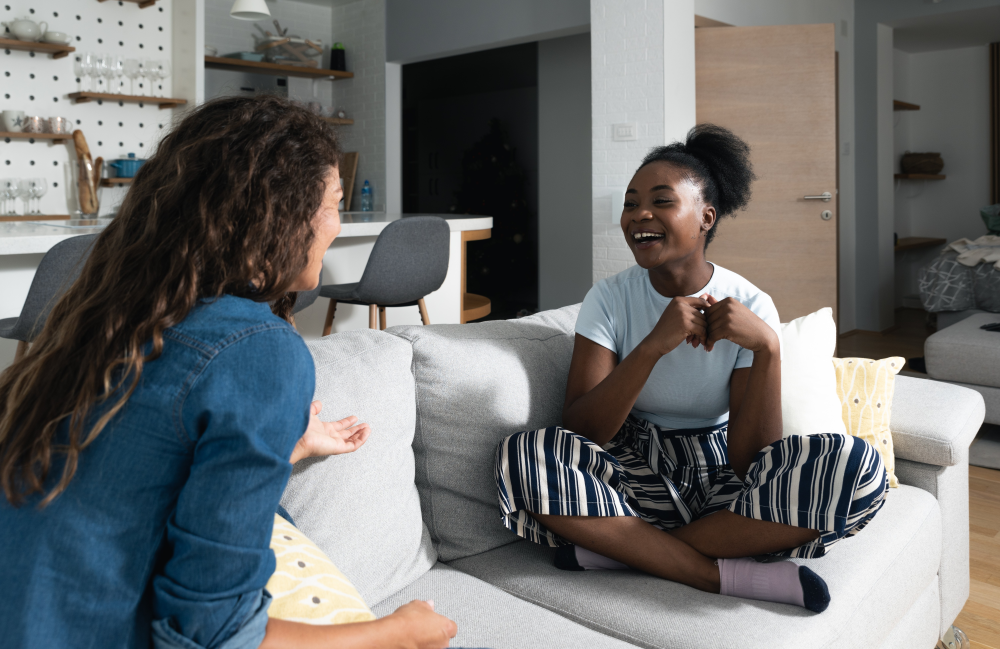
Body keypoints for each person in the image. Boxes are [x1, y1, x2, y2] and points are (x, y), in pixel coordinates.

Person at [0, 96, 457, 649]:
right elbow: (213, 635)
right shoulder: (256, 351)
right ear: (281, 215)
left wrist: (284, 449)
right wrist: (395, 631)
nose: (336, 225)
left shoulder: (97, 321)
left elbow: (136, 484)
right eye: (335, 202)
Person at [495, 124, 888, 613]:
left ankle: (622, 549)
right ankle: (709, 572)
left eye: (662, 202)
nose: (640, 214)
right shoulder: (609, 297)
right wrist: (652, 347)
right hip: (632, 468)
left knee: (859, 468)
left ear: (706, 217)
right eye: (631, 202)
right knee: (526, 452)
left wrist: (768, 348)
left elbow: (752, 462)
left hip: (721, 475)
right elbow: (582, 428)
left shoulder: (751, 303)